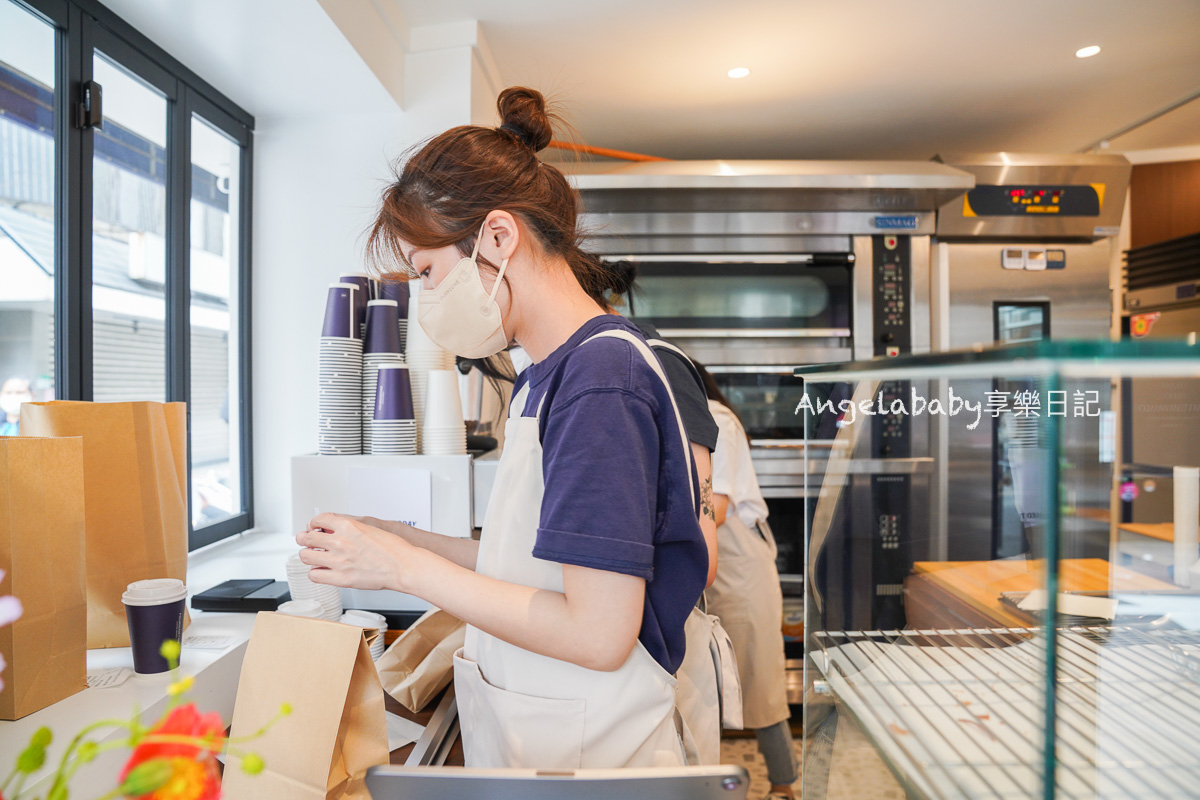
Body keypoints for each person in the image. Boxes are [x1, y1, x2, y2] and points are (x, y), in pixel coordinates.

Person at [296, 87, 709, 769]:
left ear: (497, 236)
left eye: (427, 272)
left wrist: (401, 567)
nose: (426, 299)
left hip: (594, 757)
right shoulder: (550, 373)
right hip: (548, 738)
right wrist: (398, 538)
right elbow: (528, 568)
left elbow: (600, 632)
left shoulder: (600, 379)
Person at [695, 361, 799, 799]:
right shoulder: (681, 421)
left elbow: (714, 510)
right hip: (705, 565)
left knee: (760, 680)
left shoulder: (717, 421)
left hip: (740, 570)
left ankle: (784, 784)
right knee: (704, 685)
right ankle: (707, 784)